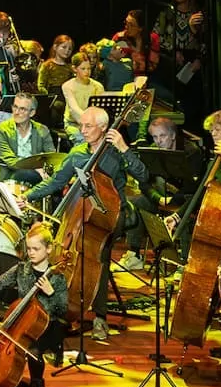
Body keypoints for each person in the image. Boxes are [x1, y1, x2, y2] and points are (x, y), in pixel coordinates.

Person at [22, 106, 146, 342]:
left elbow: (143, 176)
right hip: (79, 215)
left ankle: (100, 317)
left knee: (99, 257)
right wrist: (27, 197)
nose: (83, 130)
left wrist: (124, 148)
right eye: (82, 125)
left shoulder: (116, 153)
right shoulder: (78, 153)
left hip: (110, 215)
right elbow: (55, 183)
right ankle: (59, 305)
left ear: (103, 128)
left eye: (88, 126)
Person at [0, 228, 68, 387]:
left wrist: (51, 293)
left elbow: (63, 309)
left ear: (49, 249)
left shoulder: (57, 276)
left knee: (32, 351)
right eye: (29, 248)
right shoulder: (21, 269)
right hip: (20, 324)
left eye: (36, 249)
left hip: (47, 326)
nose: (31, 253)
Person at [0, 94, 57, 184]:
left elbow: (52, 157)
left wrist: (46, 170)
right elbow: (11, 162)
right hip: (10, 175)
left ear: (32, 113)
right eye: (15, 107)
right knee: (26, 174)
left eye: (22, 109)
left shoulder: (42, 130)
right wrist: (35, 168)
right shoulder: (1, 130)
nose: (17, 112)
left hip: (37, 175)